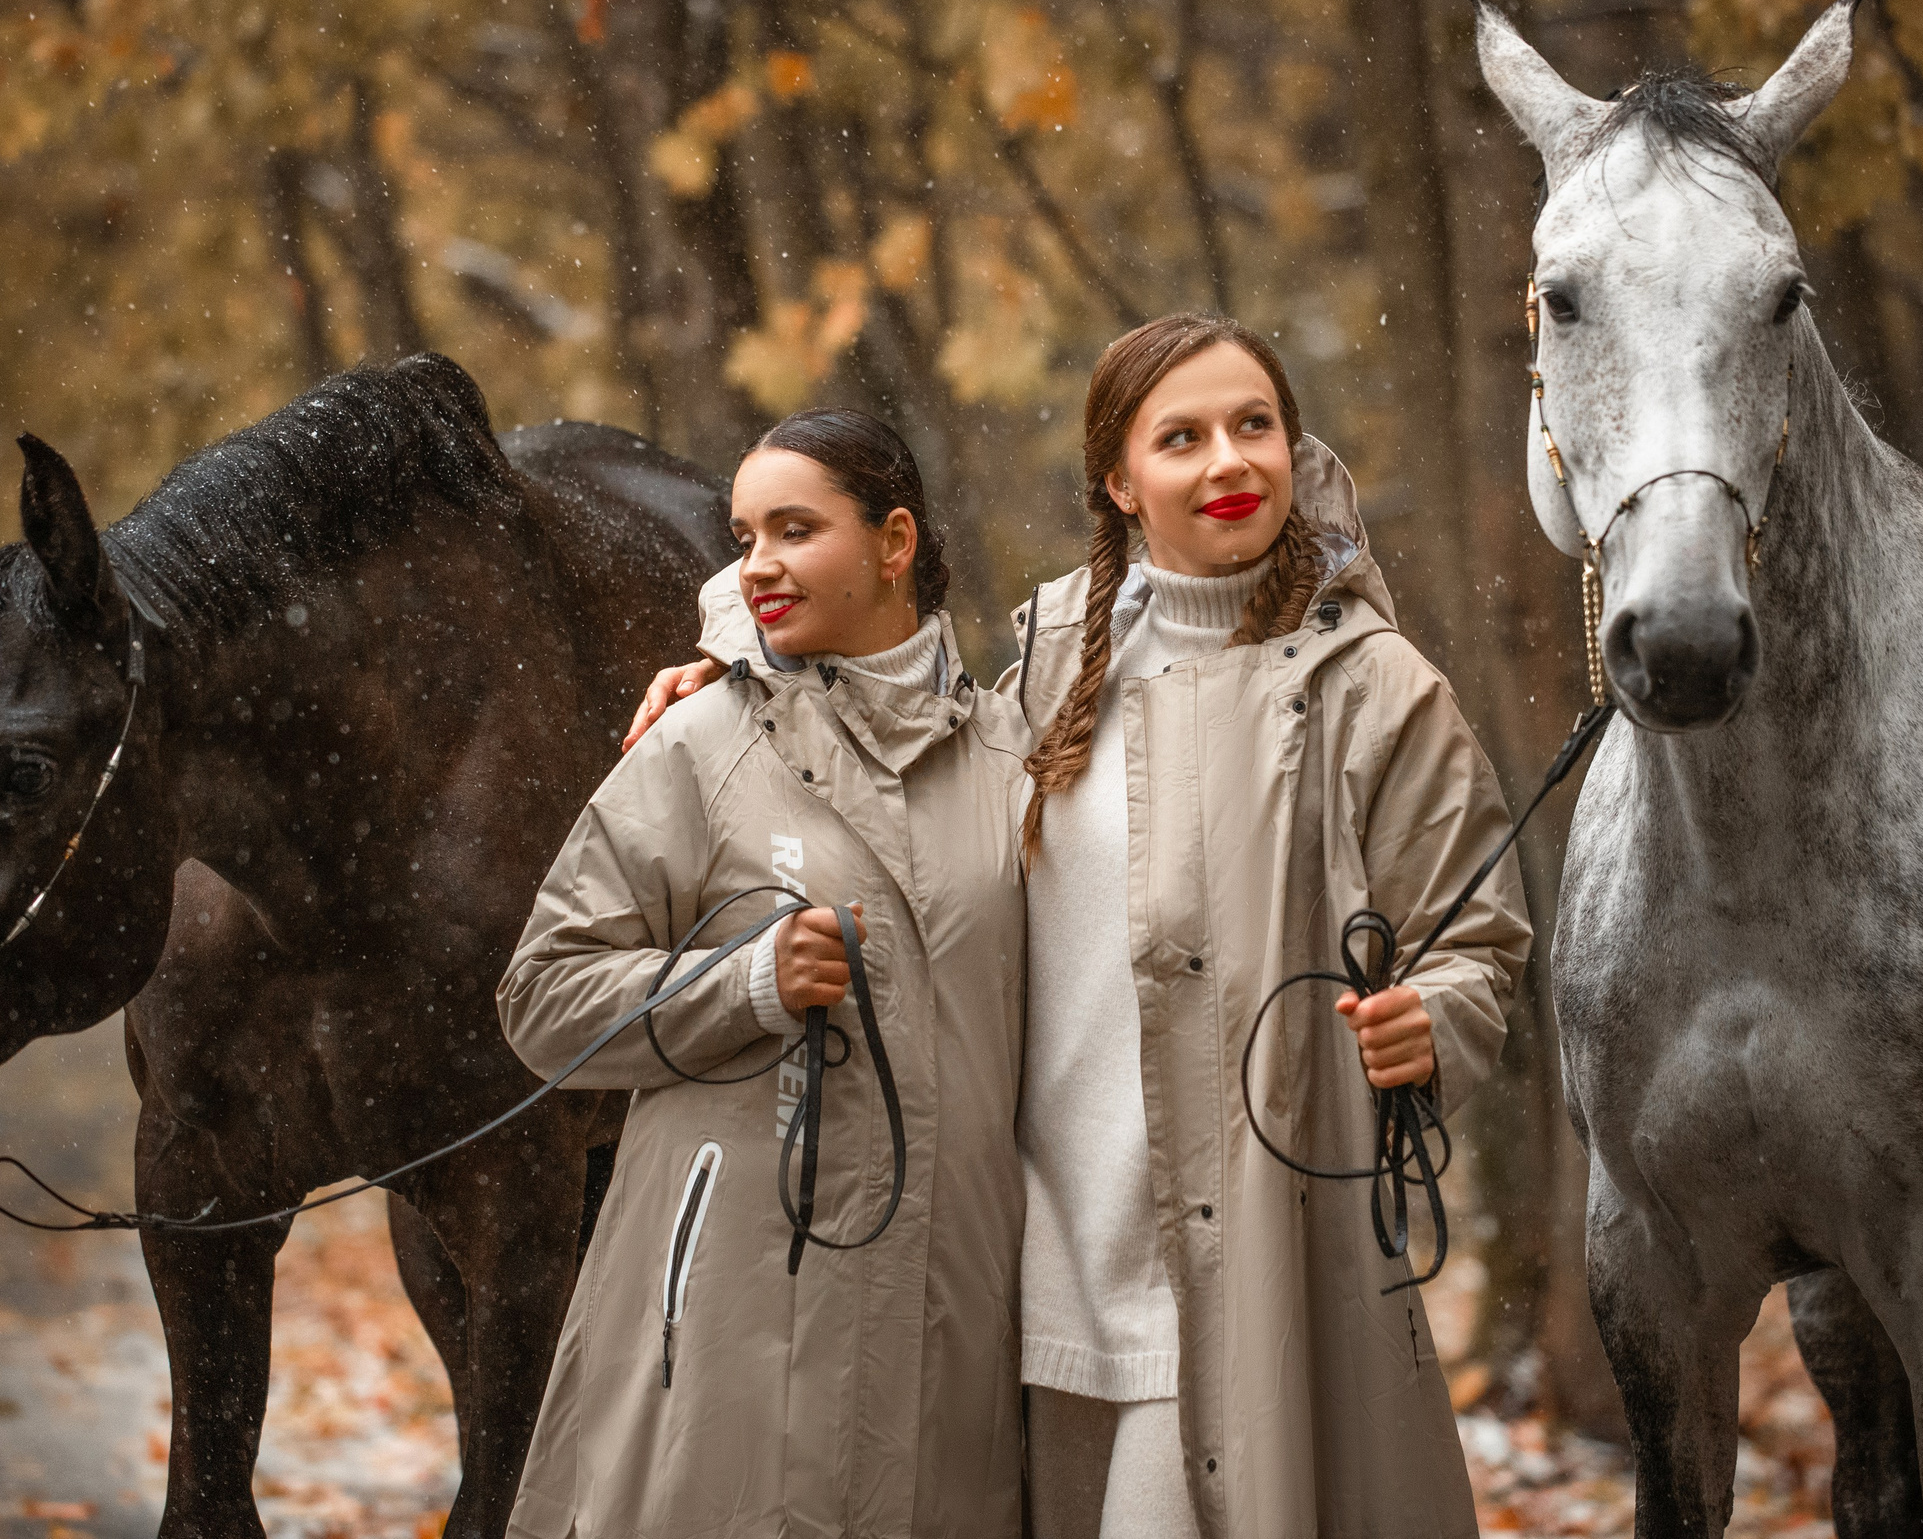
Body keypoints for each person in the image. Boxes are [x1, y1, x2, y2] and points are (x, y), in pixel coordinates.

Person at [627, 315, 1527, 1539]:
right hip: (1032, 1259)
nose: (1228, 462)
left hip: (1240, 1254)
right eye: (1184, 436)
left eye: (1254, 425)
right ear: (1118, 478)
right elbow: (901, 766)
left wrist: (1440, 1013)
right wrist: (731, 674)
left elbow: (1475, 933)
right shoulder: (1054, 663)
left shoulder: (1373, 685)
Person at [500, 408, 1031, 1539]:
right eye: (746, 535)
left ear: (895, 541)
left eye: (796, 528)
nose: (759, 564)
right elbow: (544, 997)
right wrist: (740, 984)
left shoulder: (1015, 759)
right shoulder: (702, 741)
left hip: (956, 1311)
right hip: (727, 1301)